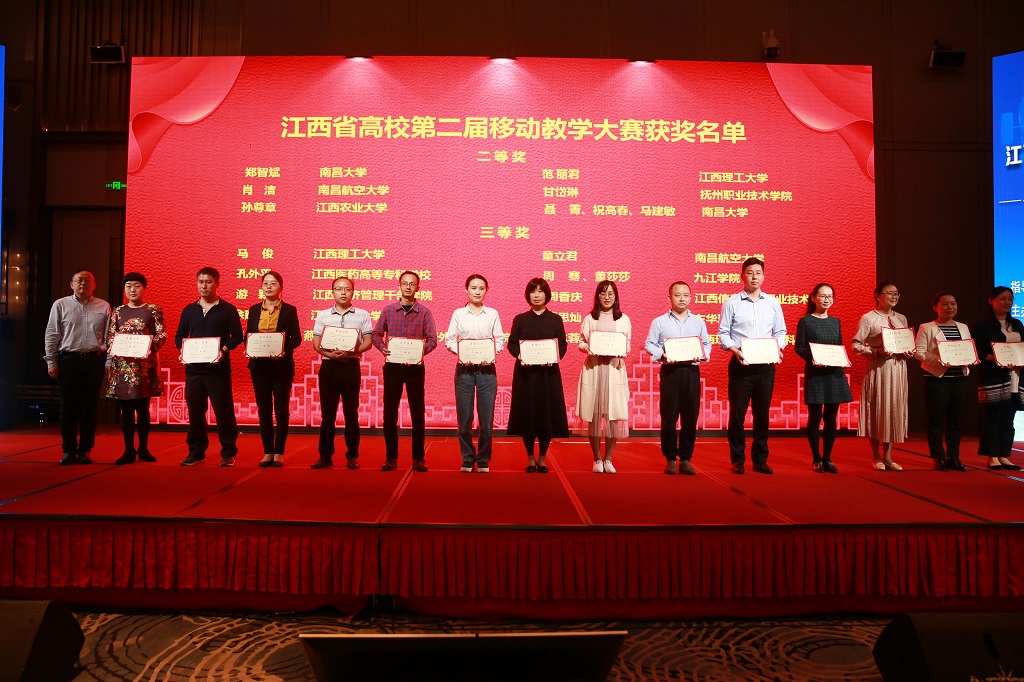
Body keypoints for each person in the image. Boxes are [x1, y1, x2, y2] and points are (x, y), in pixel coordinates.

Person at [718, 257, 786, 474]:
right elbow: (723, 333)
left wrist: (778, 348)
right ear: (742, 276)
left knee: (762, 414)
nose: (754, 277)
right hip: (741, 364)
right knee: (737, 414)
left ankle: (760, 459)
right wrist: (734, 349)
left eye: (758, 273)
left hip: (765, 366)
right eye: (750, 272)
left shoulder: (772, 303)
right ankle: (738, 459)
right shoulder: (732, 302)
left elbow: (781, 332)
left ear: (763, 276)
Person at [174, 267, 243, 466]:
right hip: (194, 370)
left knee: (224, 412)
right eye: (200, 282)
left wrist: (224, 349)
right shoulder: (189, 310)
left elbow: (238, 336)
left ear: (217, 283)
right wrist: (183, 349)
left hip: (218, 370)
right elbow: (180, 335)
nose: (204, 286)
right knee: (195, 413)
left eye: (208, 282)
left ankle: (228, 452)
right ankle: (196, 452)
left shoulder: (228, 309)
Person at [44, 269, 111, 465]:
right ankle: (69, 450)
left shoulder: (104, 306)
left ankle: (85, 450)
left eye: (88, 280)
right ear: (72, 284)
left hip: (94, 361)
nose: (83, 283)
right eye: (79, 280)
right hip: (69, 361)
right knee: (68, 408)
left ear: (94, 285)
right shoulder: (60, 305)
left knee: (91, 408)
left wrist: (108, 361)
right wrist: (51, 361)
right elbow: (52, 334)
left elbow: (109, 336)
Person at [372, 271, 438, 472]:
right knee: (390, 413)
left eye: (412, 284)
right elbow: (376, 334)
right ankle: (391, 457)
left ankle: (418, 458)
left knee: (417, 413)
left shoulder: (424, 312)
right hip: (392, 367)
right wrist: (383, 348)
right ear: (399, 286)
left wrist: (419, 352)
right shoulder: (388, 310)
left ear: (418, 288)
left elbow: (433, 340)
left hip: (415, 368)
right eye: (405, 284)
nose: (408, 287)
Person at [644, 281, 712, 475]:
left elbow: (707, 344)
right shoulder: (659, 322)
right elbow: (649, 344)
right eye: (677, 295)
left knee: (690, 416)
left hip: (691, 372)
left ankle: (686, 458)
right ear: (669, 298)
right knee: (669, 417)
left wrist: (703, 355)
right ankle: (671, 458)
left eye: (685, 295)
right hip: (670, 372)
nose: (682, 299)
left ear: (691, 297)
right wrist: (663, 355)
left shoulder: (698, 322)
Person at [507, 277, 570, 473]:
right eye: (533, 291)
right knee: (528, 415)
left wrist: (554, 357)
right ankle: (530, 458)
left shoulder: (556, 319)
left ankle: (542, 457)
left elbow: (562, 345)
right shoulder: (520, 319)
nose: (536, 295)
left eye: (540, 291)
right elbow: (512, 343)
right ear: (528, 295)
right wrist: (520, 355)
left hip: (548, 375)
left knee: (546, 415)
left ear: (546, 295)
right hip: (525, 376)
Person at [311, 276, 373, 470]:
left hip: (350, 367)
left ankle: (352, 455)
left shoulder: (362, 315)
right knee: (327, 414)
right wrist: (330, 354)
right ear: (333, 292)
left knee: (351, 413)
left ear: (353, 292)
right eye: (339, 289)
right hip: (329, 367)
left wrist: (352, 351)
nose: (343, 292)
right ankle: (325, 456)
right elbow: (316, 344)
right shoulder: (323, 316)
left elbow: (368, 342)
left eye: (347, 289)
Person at [105, 272, 165, 464]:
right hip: (123, 367)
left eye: (137, 286)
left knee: (143, 409)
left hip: (144, 368)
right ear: (124, 289)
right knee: (127, 410)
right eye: (129, 286)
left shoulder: (153, 310)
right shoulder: (117, 311)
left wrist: (148, 346)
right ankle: (128, 450)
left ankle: (144, 449)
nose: (132, 289)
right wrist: (115, 346)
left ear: (144, 288)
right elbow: (110, 336)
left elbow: (161, 334)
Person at [445, 274, 504, 473]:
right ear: (466, 290)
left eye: (481, 288)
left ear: (486, 291)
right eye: (473, 288)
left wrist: (491, 354)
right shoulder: (458, 314)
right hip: (465, 369)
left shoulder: (492, 314)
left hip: (487, 369)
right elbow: (450, 340)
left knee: (486, 419)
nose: (477, 291)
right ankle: (468, 456)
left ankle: (484, 457)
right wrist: (462, 354)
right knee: (464, 418)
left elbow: (499, 339)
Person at [851, 282, 912, 471]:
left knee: (892, 410)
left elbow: (906, 342)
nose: (894, 297)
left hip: (898, 369)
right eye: (890, 293)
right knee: (876, 410)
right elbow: (856, 345)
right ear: (878, 295)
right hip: (878, 369)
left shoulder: (901, 318)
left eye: (896, 293)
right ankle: (875, 456)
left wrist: (908, 351)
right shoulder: (869, 318)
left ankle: (888, 456)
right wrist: (876, 352)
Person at [794, 283, 853, 473]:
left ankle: (827, 458)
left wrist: (843, 359)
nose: (826, 299)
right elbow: (799, 347)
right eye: (822, 296)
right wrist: (813, 359)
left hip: (835, 374)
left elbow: (838, 346)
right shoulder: (806, 321)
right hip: (816, 373)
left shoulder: (835, 321)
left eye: (830, 296)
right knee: (815, 416)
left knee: (831, 417)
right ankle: (816, 458)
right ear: (814, 298)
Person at [246, 271, 302, 468]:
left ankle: (279, 452)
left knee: (281, 409)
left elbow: (296, 338)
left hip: (281, 366)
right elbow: (248, 336)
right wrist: (250, 348)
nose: (269, 286)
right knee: (263, 410)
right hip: (259, 367)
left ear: (281, 288)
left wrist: (281, 349)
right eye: (265, 283)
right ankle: (267, 451)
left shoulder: (289, 310)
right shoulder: (254, 310)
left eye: (273, 283)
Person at [576, 280, 632, 474]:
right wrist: (589, 347)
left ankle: (608, 458)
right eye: (603, 293)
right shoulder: (590, 318)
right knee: (593, 415)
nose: (607, 297)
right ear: (597, 296)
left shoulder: (623, 319)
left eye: (611, 294)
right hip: (594, 369)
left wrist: (622, 349)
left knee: (613, 416)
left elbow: (627, 344)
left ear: (616, 297)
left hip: (614, 369)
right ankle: (597, 458)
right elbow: (580, 342)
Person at [914, 292, 973, 471]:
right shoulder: (927, 327)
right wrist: (937, 359)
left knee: (956, 419)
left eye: (953, 304)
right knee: (936, 420)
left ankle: (953, 456)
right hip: (937, 379)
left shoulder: (963, 327)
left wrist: (971, 358)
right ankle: (938, 457)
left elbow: (968, 348)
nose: (950, 307)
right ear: (935, 307)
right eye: (945, 304)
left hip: (960, 378)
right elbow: (918, 351)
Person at [971, 286, 1023, 471]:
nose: (1007, 302)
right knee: (992, 417)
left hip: (1015, 376)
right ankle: (992, 456)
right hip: (993, 376)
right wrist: (997, 359)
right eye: (1002, 298)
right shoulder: (982, 325)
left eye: (1010, 299)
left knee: (1008, 418)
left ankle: (1004, 455)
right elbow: (976, 349)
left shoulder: (1017, 324)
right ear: (990, 301)